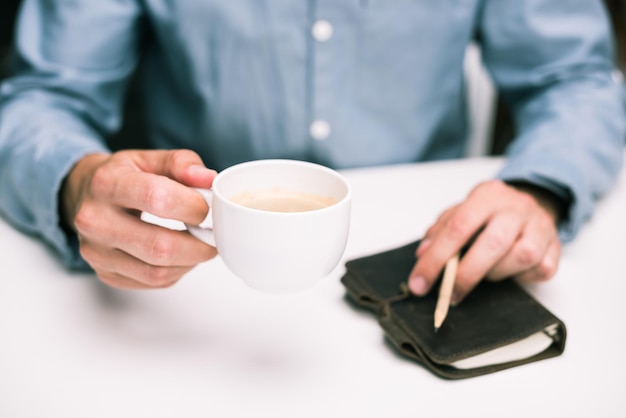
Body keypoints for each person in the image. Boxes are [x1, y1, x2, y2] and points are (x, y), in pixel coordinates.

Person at [0, 1, 624, 300]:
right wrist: (75, 181)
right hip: (181, 280)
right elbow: (42, 96)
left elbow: (574, 78)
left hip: (422, 259)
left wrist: (539, 188)